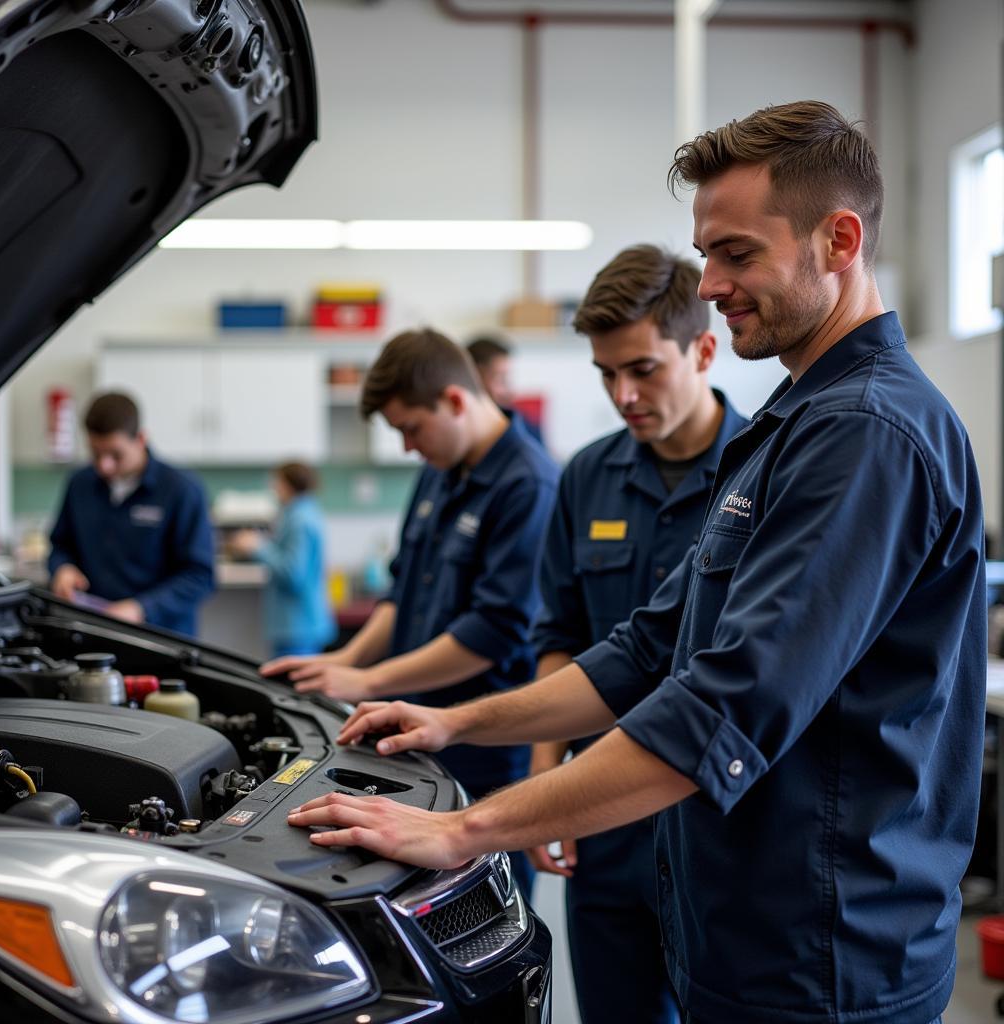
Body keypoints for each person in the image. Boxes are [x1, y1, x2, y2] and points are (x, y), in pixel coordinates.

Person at [281, 101, 986, 1024]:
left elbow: (726, 706)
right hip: (741, 927)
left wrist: (466, 831)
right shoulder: (795, 426)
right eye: (707, 256)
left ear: (839, 239)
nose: (715, 283)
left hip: (825, 953)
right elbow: (646, 649)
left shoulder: (865, 433)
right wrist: (456, 725)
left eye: (737, 253)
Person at [527, 244, 747, 1024]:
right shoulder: (585, 476)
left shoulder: (767, 473)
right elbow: (560, 631)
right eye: (606, 374)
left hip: (721, 830)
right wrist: (547, 781)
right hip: (604, 822)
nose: (624, 394)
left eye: (644, 369)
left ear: (705, 348)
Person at [261, 328, 560, 899]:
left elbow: (492, 631)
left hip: (484, 748)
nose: (406, 447)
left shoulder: (530, 485)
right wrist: (344, 661)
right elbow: (402, 589)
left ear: (453, 400)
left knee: (484, 907)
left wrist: (370, 679)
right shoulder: (440, 470)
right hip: (416, 730)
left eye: (410, 429)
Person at [48, 391, 215, 636]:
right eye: (96, 453)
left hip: (162, 639)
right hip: (93, 633)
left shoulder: (182, 490)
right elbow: (60, 544)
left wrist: (142, 608)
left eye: (116, 455)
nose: (105, 466)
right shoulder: (79, 484)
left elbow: (200, 576)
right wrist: (63, 568)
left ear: (141, 439)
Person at [229, 462, 336, 658]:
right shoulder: (299, 513)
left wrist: (257, 547)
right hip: (296, 625)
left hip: (297, 627)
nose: (273, 488)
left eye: (276, 482)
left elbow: (293, 574)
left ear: (288, 484)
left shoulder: (300, 519)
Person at [466, 333, 544, 442]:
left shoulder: (523, 427)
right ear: (475, 378)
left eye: (507, 379)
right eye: (501, 379)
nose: (510, 392)